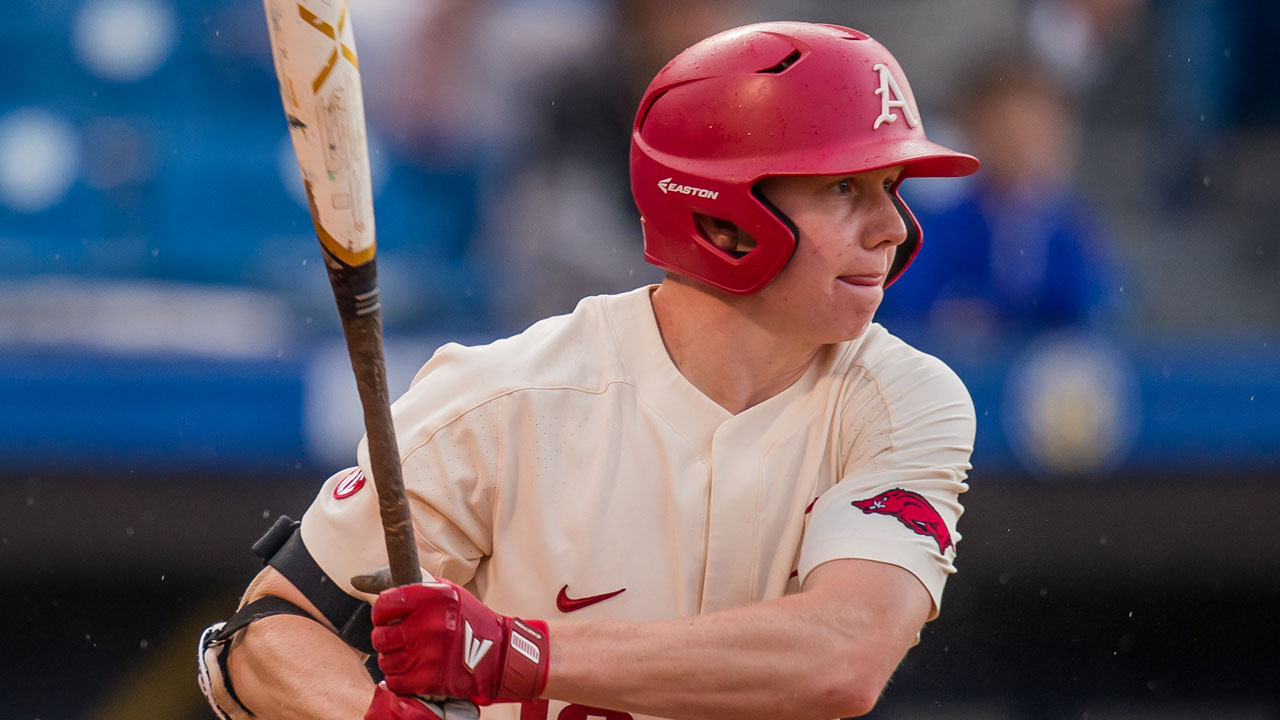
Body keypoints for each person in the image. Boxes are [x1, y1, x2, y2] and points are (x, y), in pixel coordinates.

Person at [198, 21, 979, 720]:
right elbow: (263, 634)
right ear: (720, 217)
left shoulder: (902, 399)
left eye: (889, 188)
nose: (892, 228)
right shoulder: (504, 398)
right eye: (845, 187)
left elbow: (846, 655)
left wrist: (514, 654)